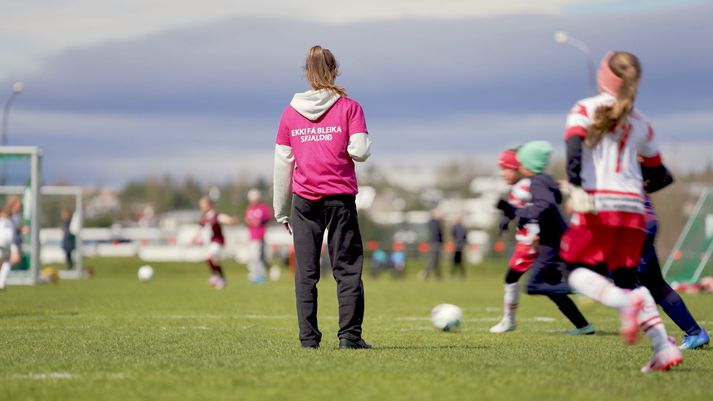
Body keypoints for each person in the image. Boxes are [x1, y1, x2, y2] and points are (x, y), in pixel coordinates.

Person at [560, 51, 682, 372]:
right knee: (627, 277)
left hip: (599, 203)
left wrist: (576, 186)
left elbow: (573, 146)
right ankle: (662, 349)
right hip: (633, 209)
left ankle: (627, 303)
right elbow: (658, 172)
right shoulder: (641, 120)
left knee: (573, 270)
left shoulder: (585, 107)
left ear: (604, 75)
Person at [273, 45, 372, 349]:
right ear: (334, 71)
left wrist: (280, 210)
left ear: (307, 73)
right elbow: (360, 151)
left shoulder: (290, 113)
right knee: (347, 269)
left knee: (306, 272)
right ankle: (349, 338)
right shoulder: (349, 107)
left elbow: (282, 163)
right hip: (340, 198)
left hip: (304, 201)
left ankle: (308, 340)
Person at [493, 145, 593, 335]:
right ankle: (584, 326)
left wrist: (532, 234)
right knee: (552, 290)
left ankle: (508, 321)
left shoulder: (525, 186)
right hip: (543, 243)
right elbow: (523, 207)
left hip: (533, 244)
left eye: (506, 168)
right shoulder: (528, 185)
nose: (502, 173)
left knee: (513, 278)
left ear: (517, 167)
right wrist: (506, 219)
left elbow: (538, 209)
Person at [637, 164, 709, 349]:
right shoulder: (632, 150)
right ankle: (694, 333)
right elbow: (666, 176)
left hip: (634, 224)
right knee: (653, 283)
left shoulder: (611, 153)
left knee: (624, 279)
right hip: (645, 221)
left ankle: (661, 343)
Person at [194, 196, 237, 289]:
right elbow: (200, 228)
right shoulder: (204, 218)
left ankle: (216, 276)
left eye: (203, 205)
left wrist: (231, 220)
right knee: (211, 259)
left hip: (218, 241)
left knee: (210, 256)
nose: (202, 207)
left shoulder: (215, 215)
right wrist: (195, 238)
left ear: (210, 205)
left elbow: (225, 219)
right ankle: (221, 277)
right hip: (210, 243)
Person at [245, 189, 272, 284]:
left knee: (257, 256)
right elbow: (247, 219)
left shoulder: (263, 207)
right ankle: (256, 274)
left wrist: (260, 222)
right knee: (253, 257)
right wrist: (251, 222)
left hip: (259, 235)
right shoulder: (249, 208)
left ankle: (260, 275)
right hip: (251, 235)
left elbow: (269, 217)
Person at [0, 200, 22, 290]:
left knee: (7, 261)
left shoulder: (8, 219)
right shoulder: (10, 219)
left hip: (5, 243)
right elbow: (12, 234)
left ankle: (1, 283)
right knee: (7, 261)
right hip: (6, 242)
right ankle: (1, 283)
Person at [418, 209, 444, 281]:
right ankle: (424, 273)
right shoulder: (434, 223)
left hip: (436, 243)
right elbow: (435, 235)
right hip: (435, 244)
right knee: (433, 261)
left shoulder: (436, 222)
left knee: (436, 261)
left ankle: (438, 276)